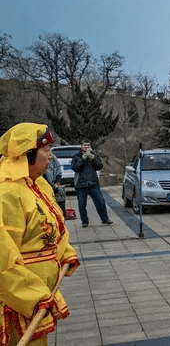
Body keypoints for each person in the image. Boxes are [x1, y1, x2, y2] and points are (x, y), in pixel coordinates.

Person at [0, 123, 80, 346]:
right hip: (18, 301)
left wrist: (65, 253)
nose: (51, 158)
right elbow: (2, 257)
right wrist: (31, 295)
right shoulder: (6, 193)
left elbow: (54, 230)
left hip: (40, 296)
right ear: (30, 155)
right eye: (47, 151)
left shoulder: (38, 186)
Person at [71, 140, 112, 227]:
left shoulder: (94, 155)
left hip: (93, 183)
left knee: (100, 201)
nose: (86, 147)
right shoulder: (76, 156)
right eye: (84, 145)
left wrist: (93, 158)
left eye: (88, 145)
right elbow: (75, 168)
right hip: (81, 184)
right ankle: (84, 221)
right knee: (82, 204)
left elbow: (99, 166)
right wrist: (83, 158)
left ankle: (105, 219)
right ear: (81, 146)